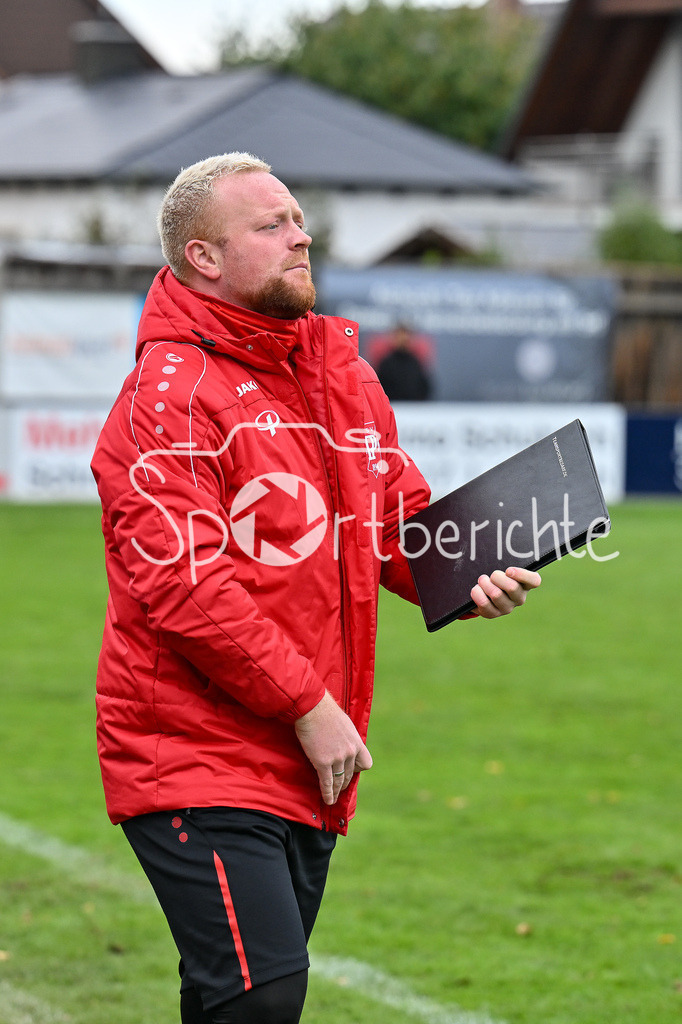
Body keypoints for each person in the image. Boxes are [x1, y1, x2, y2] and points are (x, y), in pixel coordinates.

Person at [91, 152, 541, 1024]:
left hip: (306, 757)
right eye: (272, 225)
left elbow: (399, 522)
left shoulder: (342, 375)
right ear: (204, 258)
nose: (301, 237)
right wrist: (307, 700)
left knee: (245, 998)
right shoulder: (168, 394)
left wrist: (466, 569)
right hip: (193, 749)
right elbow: (184, 584)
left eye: (298, 220)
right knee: (261, 996)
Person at [375, 321, 432, 401]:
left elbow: (425, 388)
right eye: (400, 335)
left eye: (407, 335)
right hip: (392, 407)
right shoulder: (386, 364)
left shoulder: (416, 363)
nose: (404, 339)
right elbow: (379, 389)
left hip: (413, 409)